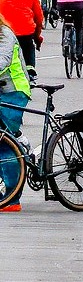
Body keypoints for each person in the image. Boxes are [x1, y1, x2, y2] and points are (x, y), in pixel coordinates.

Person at [0, 20, 32, 209]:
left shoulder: (5, 33)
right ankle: (19, 139)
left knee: (4, 144)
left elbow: (2, 62)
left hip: (14, 91)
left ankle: (12, 200)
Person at [0, 0, 44, 73]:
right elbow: (38, 18)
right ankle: (30, 69)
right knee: (28, 47)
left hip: (4, 29)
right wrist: (37, 38)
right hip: (24, 30)